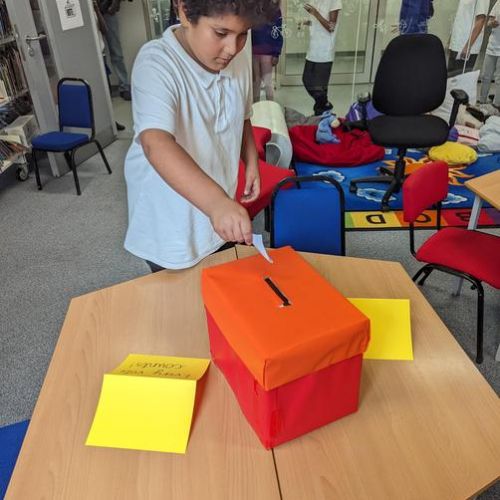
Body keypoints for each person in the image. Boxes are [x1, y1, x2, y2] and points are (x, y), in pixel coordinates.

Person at [124, 0, 279, 272]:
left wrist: (251, 161)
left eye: (242, 34)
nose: (232, 48)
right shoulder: (157, 63)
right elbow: (155, 143)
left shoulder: (237, 55)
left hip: (220, 204)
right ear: (184, 12)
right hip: (170, 219)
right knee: (181, 291)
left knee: (223, 281)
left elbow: (242, 114)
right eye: (220, 33)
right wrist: (217, 203)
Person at [300, 0, 342, 116]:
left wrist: (315, 13)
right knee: (306, 79)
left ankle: (321, 112)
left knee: (319, 87)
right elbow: (315, 22)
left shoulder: (334, 2)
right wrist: (306, 22)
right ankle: (325, 106)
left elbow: (331, 27)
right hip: (313, 48)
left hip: (325, 50)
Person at [98, 0, 132, 100]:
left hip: (106, 12)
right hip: (87, 12)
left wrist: (115, 3)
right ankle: (103, 88)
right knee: (94, 53)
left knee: (116, 51)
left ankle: (124, 86)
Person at [448, 0, 489, 76]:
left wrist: (468, 46)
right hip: (456, 44)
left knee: (460, 80)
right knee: (450, 78)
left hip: (465, 46)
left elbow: (481, 20)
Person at [251, 8, 283, 102]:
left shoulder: (274, 9)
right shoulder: (252, 7)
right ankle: (255, 107)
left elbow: (278, 31)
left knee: (267, 81)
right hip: (253, 50)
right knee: (256, 82)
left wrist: (276, 53)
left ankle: (271, 106)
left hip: (267, 51)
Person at [479, 0, 500, 111]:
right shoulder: (498, 3)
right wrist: (492, 23)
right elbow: (488, 22)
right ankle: (482, 101)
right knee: (485, 76)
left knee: (499, 79)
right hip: (492, 46)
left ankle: (496, 106)